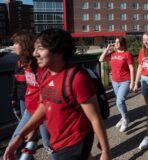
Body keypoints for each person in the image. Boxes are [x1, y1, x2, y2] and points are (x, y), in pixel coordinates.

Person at [3, 29, 111, 160]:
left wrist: (105, 151)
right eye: (35, 49)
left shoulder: (78, 79)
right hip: (56, 141)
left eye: (40, 49)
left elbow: (95, 117)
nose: (34, 53)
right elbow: (44, 105)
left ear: (59, 52)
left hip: (75, 143)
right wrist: (20, 135)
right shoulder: (44, 74)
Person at [9, 30, 53, 159]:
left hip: (41, 111)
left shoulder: (39, 64)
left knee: (49, 145)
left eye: (16, 43)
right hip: (29, 109)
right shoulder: (23, 62)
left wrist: (34, 125)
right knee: (16, 143)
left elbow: (45, 93)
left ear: (24, 44)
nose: (13, 46)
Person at [99, 37, 134, 132]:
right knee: (120, 102)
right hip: (114, 81)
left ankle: (126, 119)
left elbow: (131, 68)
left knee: (119, 101)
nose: (115, 43)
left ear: (122, 43)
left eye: (118, 42)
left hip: (125, 81)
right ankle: (123, 117)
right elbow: (101, 59)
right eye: (115, 42)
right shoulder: (112, 54)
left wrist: (132, 82)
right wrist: (107, 49)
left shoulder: (127, 54)